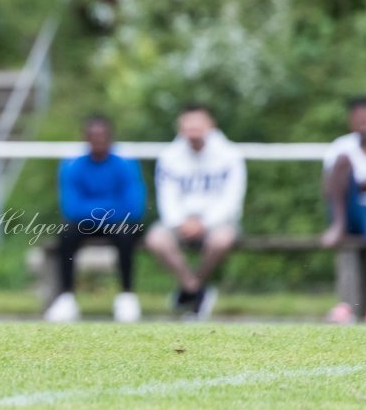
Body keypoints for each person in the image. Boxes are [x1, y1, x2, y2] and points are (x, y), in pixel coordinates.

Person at [144, 105, 246, 319]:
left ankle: (190, 290)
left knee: (221, 239)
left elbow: (231, 199)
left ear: (211, 124)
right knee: (156, 238)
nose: (193, 128)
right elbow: (167, 197)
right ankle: (195, 289)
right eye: (187, 123)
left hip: (218, 221)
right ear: (180, 127)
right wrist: (181, 221)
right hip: (179, 222)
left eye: (198, 122)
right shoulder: (170, 156)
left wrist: (204, 222)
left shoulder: (229, 155)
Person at [44, 115, 145, 324]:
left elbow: (134, 207)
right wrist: (108, 207)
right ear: (85, 139)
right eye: (93, 136)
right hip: (85, 223)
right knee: (67, 234)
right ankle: (66, 297)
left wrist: (94, 210)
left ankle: (126, 295)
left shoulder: (125, 165)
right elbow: (70, 207)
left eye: (102, 136)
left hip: (118, 224)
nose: (98, 141)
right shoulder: (72, 166)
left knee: (125, 234)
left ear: (110, 138)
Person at [319, 97, 366, 324]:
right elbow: (330, 187)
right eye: (357, 117)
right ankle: (346, 305)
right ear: (350, 121)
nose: (362, 121)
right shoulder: (341, 147)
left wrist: (358, 184)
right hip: (348, 209)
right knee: (343, 163)